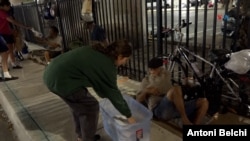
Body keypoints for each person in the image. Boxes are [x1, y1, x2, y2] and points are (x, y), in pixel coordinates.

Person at [43, 39, 136, 141]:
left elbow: (100, 86)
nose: (124, 63)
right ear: (119, 56)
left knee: (78, 106)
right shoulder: (107, 66)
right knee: (91, 107)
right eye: (126, 60)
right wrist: (129, 115)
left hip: (53, 74)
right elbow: (114, 94)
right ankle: (87, 138)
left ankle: (81, 136)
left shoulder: (98, 51)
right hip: (62, 80)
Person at [136, 57, 209, 125]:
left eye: (154, 69)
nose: (151, 71)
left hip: (176, 107)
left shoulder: (166, 76)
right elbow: (138, 100)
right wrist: (146, 91)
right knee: (175, 89)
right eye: (150, 69)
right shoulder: (146, 80)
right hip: (159, 110)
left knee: (204, 102)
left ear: (160, 68)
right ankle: (185, 120)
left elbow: (168, 86)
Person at [0, 0, 31, 69]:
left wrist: (11, 30)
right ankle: (5, 66)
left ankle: (13, 64)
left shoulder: (4, 12)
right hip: (3, 34)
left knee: (10, 49)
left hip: (6, 33)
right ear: (4, 6)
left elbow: (6, 24)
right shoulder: (2, 13)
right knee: (6, 51)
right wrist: (25, 26)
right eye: (8, 6)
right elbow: (12, 21)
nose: (9, 8)